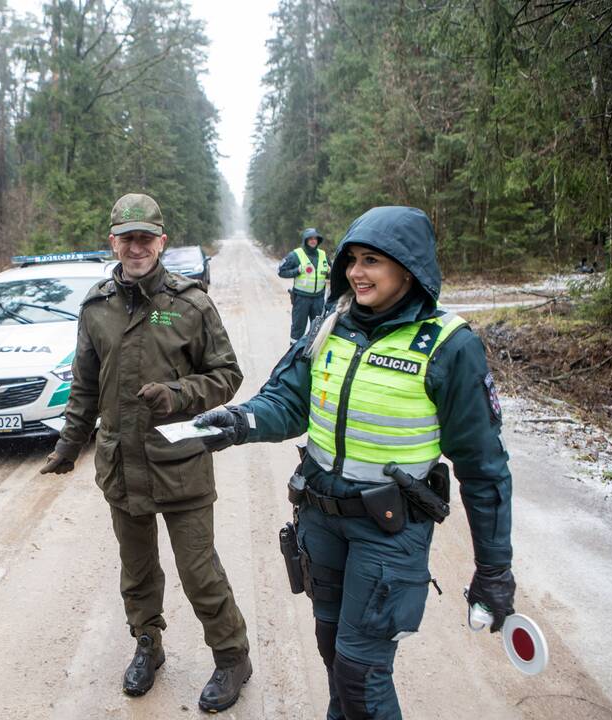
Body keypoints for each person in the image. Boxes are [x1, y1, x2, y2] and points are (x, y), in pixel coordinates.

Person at [195, 206, 516, 719]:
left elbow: (484, 468)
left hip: (390, 532)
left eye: (373, 262)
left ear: (408, 269)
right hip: (321, 520)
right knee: (331, 651)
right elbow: (287, 401)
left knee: (361, 672)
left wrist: (494, 569)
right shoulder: (330, 326)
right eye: (352, 260)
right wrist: (240, 423)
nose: (355, 273)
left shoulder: (450, 346)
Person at [39, 193, 253, 713]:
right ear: (112, 241)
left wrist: (178, 395)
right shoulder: (96, 307)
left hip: (178, 460)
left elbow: (228, 375)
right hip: (120, 463)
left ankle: (231, 657)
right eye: (126, 237)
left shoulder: (191, 304)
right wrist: (69, 446)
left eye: (145, 237)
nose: (136, 247)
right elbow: (84, 387)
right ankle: (147, 646)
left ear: (161, 241)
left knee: (198, 570)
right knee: (136, 571)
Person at [279, 227, 331, 343]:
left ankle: (312, 356)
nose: (313, 241)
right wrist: (297, 271)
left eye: (315, 238)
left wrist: (330, 272)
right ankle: (293, 355)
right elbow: (281, 272)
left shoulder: (323, 255)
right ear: (305, 240)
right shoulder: (295, 255)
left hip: (318, 299)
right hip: (301, 299)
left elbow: (330, 275)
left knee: (318, 329)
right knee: (298, 330)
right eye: (310, 238)